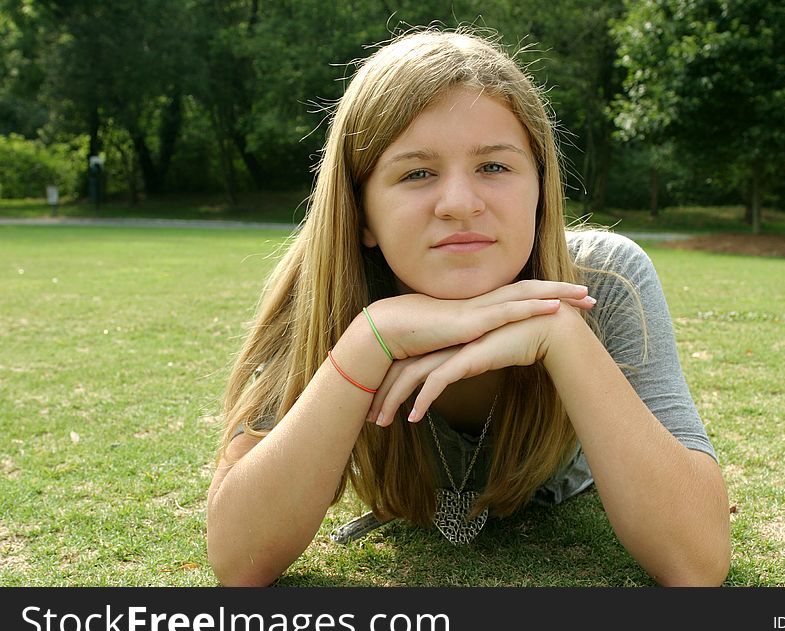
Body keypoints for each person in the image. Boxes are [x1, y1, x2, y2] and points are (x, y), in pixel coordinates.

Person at [206, 28, 731, 587]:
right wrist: (370, 338)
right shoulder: (323, 294)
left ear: (540, 190)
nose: (459, 204)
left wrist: (561, 331)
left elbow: (696, 564)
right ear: (360, 213)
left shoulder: (602, 280)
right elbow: (239, 562)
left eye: (494, 167)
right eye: (416, 173)